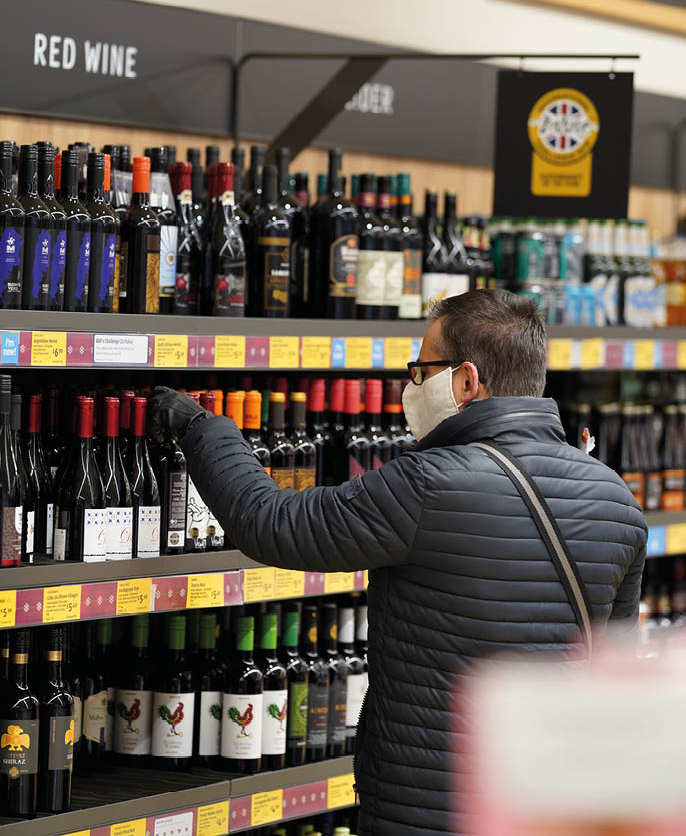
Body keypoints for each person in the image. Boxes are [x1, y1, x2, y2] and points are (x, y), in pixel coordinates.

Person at [149, 289, 647, 836]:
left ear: (466, 382)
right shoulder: (617, 500)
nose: (411, 385)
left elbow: (272, 523)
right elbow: (613, 668)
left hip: (427, 809)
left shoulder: (432, 484)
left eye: (421, 369)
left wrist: (203, 431)